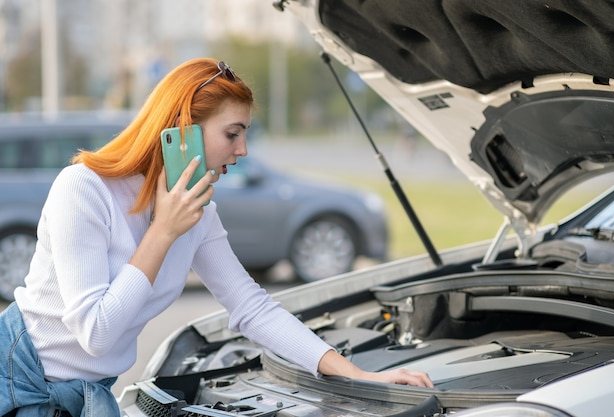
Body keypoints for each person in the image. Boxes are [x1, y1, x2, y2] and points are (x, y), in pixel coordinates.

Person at [0, 57, 433, 416]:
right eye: (232, 134)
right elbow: (95, 334)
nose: (242, 151)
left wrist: (355, 373)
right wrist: (163, 232)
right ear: (182, 129)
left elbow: (251, 306)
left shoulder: (200, 213)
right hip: (18, 380)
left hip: (86, 394)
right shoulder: (84, 189)